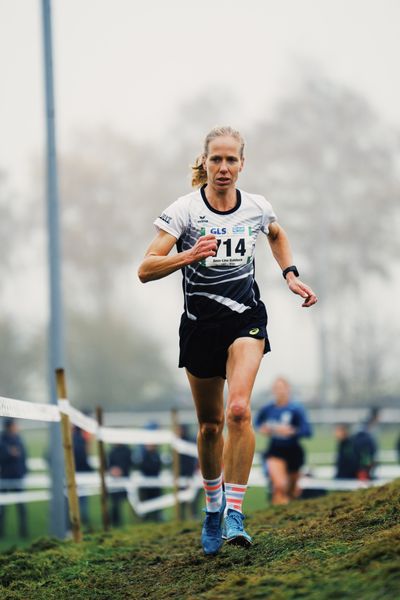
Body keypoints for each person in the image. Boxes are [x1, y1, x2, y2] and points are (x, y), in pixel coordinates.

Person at [138, 126, 317, 554]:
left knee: (238, 410)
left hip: (245, 320)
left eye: (231, 160)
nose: (223, 168)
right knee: (209, 425)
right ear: (205, 162)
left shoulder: (256, 207)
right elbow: (145, 268)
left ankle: (235, 512)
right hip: (200, 326)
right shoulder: (183, 211)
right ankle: (213, 508)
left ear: (242, 164)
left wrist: (290, 275)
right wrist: (188, 255)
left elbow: (275, 234)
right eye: (216, 160)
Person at [256, 377, 312, 505]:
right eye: (276, 388)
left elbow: (307, 431)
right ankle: (276, 518)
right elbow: (258, 423)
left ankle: (289, 514)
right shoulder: (267, 409)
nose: (279, 391)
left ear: (288, 389)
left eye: (282, 388)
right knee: (279, 486)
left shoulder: (296, 409)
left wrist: (292, 432)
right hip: (275, 450)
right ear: (273, 390)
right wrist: (263, 429)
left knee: (291, 491)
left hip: (294, 451)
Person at [0, 418, 28, 538]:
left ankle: (23, 532)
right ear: (10, 426)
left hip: (18, 477)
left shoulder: (19, 438)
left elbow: (23, 456)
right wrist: (9, 452)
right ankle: (1, 532)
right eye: (15, 425)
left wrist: (24, 471)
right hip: (5, 478)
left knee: (21, 507)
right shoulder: (2, 440)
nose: (17, 427)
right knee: (2, 507)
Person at [72, 425, 93, 528]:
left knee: (74, 497)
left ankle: (77, 517)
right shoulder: (80, 440)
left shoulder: (73, 439)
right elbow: (83, 458)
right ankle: (81, 517)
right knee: (82, 497)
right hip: (80, 472)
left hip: (75, 472)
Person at [108, 443, 133, 526]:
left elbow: (129, 463)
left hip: (125, 480)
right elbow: (108, 465)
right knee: (115, 503)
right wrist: (112, 470)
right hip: (114, 481)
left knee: (129, 501)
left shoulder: (127, 451)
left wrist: (121, 470)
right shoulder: (112, 451)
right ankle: (115, 522)